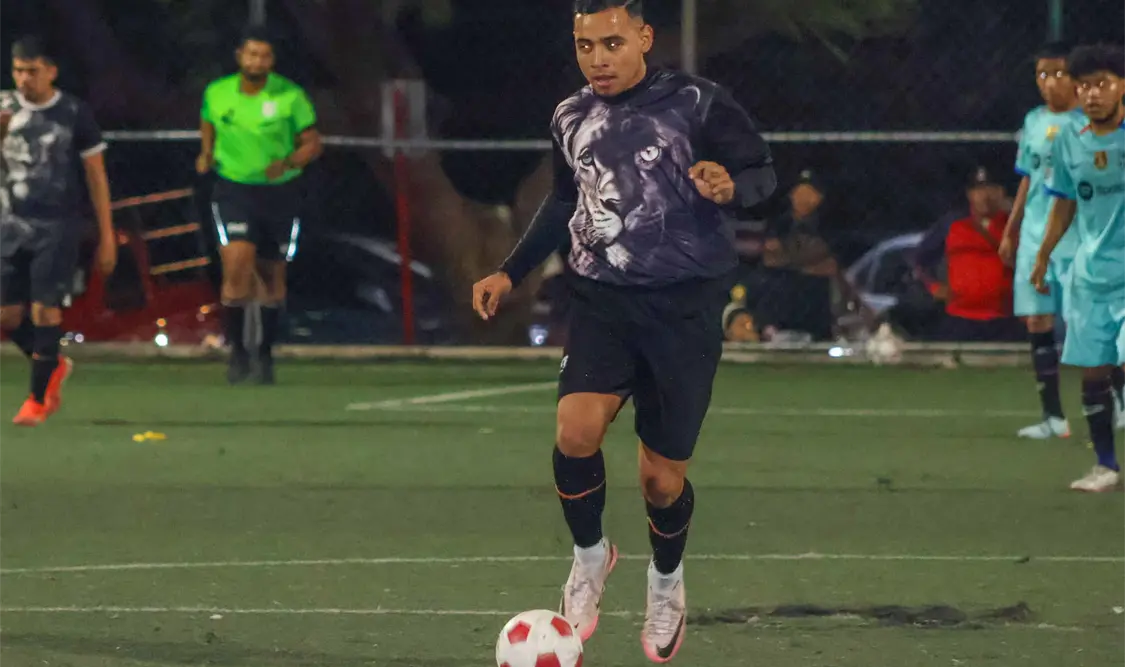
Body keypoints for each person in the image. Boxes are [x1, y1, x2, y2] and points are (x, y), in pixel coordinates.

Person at [471, 0, 776, 661]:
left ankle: (665, 578)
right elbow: (562, 200)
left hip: (683, 311)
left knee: (660, 482)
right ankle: (589, 556)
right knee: (574, 431)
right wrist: (510, 271)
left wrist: (729, 186)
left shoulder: (698, 103)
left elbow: (761, 174)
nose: (598, 58)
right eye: (585, 46)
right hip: (602, 301)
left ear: (643, 37)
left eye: (611, 42)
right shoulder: (569, 116)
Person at [0, 36, 116, 426]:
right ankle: (52, 364)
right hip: (9, 225)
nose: (23, 79)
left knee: (45, 309)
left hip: (57, 225)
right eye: (18, 70)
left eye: (32, 70)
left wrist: (107, 233)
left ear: (51, 71)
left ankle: (36, 400)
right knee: (7, 316)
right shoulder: (3, 108)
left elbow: (96, 177)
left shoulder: (73, 113)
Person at [197, 25, 322, 385]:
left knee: (272, 278)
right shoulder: (218, 92)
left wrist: (288, 163)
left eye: (264, 55)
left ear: (272, 60)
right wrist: (206, 153)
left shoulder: (290, 96)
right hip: (233, 190)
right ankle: (237, 354)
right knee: (236, 268)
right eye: (251, 54)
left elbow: (312, 143)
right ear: (240, 56)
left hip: (279, 194)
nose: (257, 61)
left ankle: (265, 356)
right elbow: (208, 121)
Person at [1032, 42, 1125, 492]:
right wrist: (1044, 252)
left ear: (1122, 87)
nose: (1092, 94)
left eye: (1102, 84)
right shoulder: (1070, 139)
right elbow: (1064, 202)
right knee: (1094, 371)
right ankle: (1106, 466)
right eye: (1084, 85)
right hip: (1091, 276)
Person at [999, 43, 1087, 440]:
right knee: (1038, 320)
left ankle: (1117, 400)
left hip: (1078, 237)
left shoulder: (1093, 121)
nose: (1049, 82)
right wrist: (1011, 228)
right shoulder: (1033, 121)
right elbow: (1027, 178)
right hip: (1035, 236)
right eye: (1041, 75)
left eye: (1057, 73)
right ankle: (1053, 417)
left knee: (1090, 324)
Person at [916, 166, 1023, 342]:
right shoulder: (953, 224)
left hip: (1004, 320)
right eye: (978, 190)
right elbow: (919, 260)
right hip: (960, 319)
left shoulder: (1015, 225)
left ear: (1002, 193)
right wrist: (934, 288)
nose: (985, 196)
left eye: (992, 189)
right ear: (969, 195)